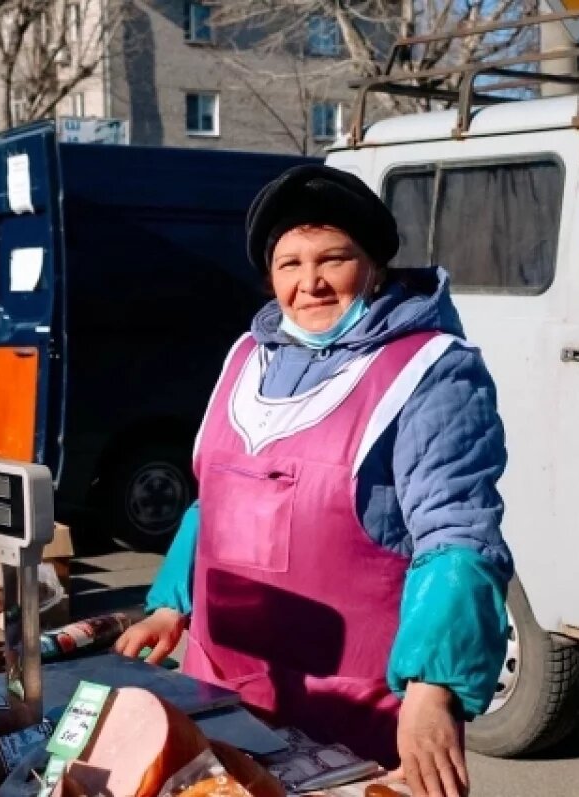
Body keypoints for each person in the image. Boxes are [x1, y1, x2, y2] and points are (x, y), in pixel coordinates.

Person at [116, 165, 512, 797]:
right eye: (289, 264)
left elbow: (459, 537)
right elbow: (214, 503)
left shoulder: (431, 370)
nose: (310, 284)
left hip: (352, 715)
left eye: (334, 259)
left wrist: (434, 687)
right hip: (218, 691)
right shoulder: (246, 357)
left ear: (375, 265)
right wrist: (173, 603)